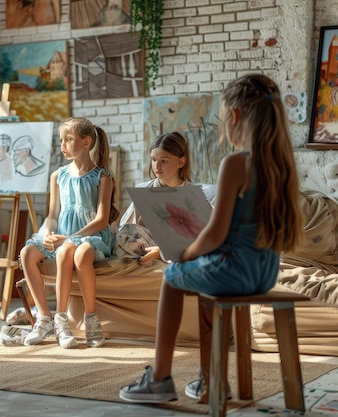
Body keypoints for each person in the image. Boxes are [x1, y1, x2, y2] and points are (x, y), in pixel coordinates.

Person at [118, 73, 304, 403]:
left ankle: (160, 377)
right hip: (264, 271)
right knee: (203, 278)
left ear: (234, 116)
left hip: (235, 270)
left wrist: (187, 251)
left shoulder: (236, 163)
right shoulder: (281, 166)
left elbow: (215, 233)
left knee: (173, 277)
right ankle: (211, 378)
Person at [20, 117, 120, 349]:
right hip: (62, 234)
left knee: (68, 249)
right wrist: (48, 232)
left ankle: (68, 320)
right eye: (61, 140)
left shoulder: (103, 177)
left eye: (68, 140)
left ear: (86, 142)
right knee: (27, 253)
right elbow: (53, 214)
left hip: (91, 236)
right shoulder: (58, 176)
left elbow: (101, 220)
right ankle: (44, 319)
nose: (63, 145)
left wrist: (70, 237)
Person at [119, 132, 192, 266]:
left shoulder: (192, 196)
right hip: (139, 252)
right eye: (153, 160)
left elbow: (202, 242)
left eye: (164, 161)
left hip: (172, 257)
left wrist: (161, 252)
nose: (157, 166)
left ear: (181, 162)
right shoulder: (143, 191)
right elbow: (126, 231)